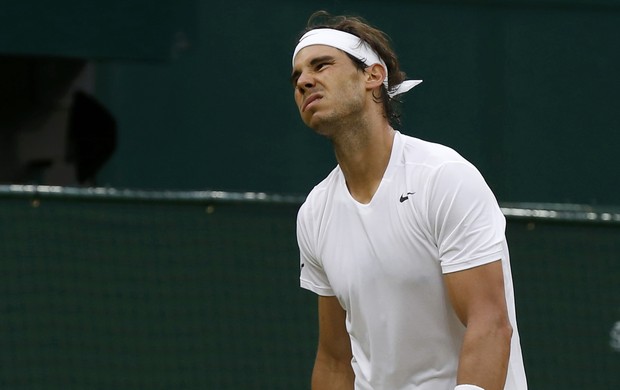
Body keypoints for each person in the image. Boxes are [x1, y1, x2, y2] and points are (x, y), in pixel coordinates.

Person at [291, 10, 528, 390]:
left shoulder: (443, 177)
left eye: (321, 65)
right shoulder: (315, 213)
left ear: (373, 75)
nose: (304, 81)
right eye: (298, 76)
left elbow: (490, 325)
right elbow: (335, 359)